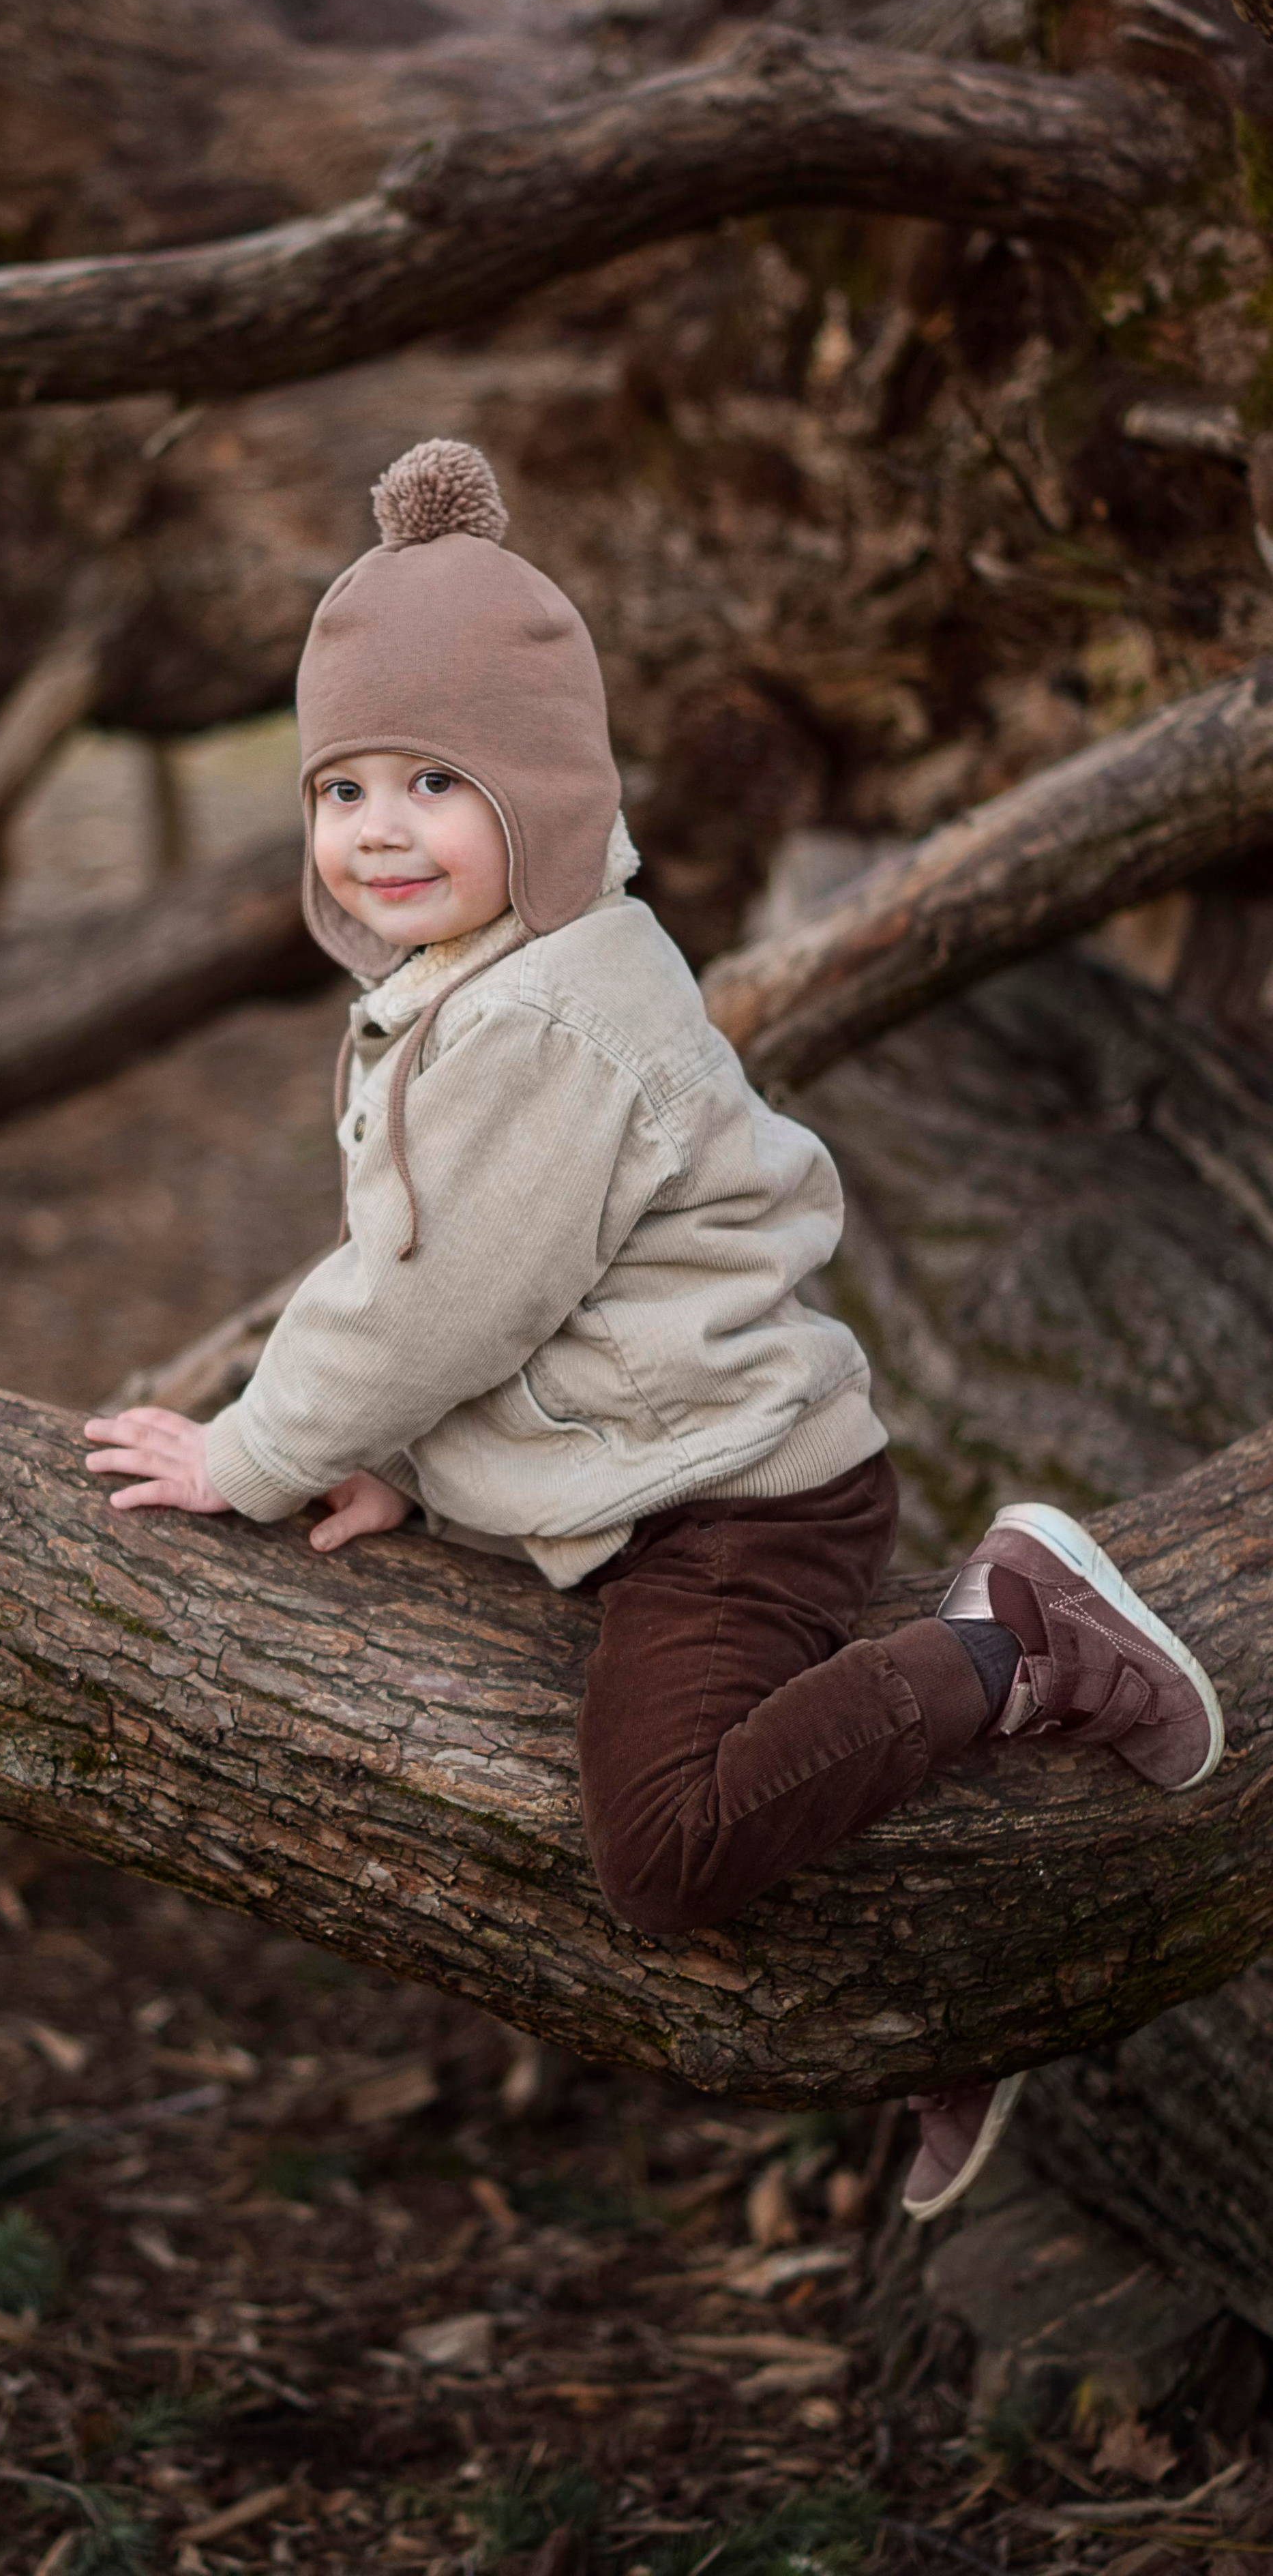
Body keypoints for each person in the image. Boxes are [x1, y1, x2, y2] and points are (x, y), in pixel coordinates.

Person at [83, 439, 1223, 2223]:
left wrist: (261, 1450)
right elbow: (481, 1283)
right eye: (343, 787)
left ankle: (1018, 1635)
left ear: (540, 792)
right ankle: (943, 1980)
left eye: (436, 782)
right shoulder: (465, 982)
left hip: (731, 1502)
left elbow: (432, 1299)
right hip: (645, 1467)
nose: (378, 828)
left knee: (670, 1849)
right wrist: (410, 1469)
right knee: (781, 1790)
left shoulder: (549, 1018)